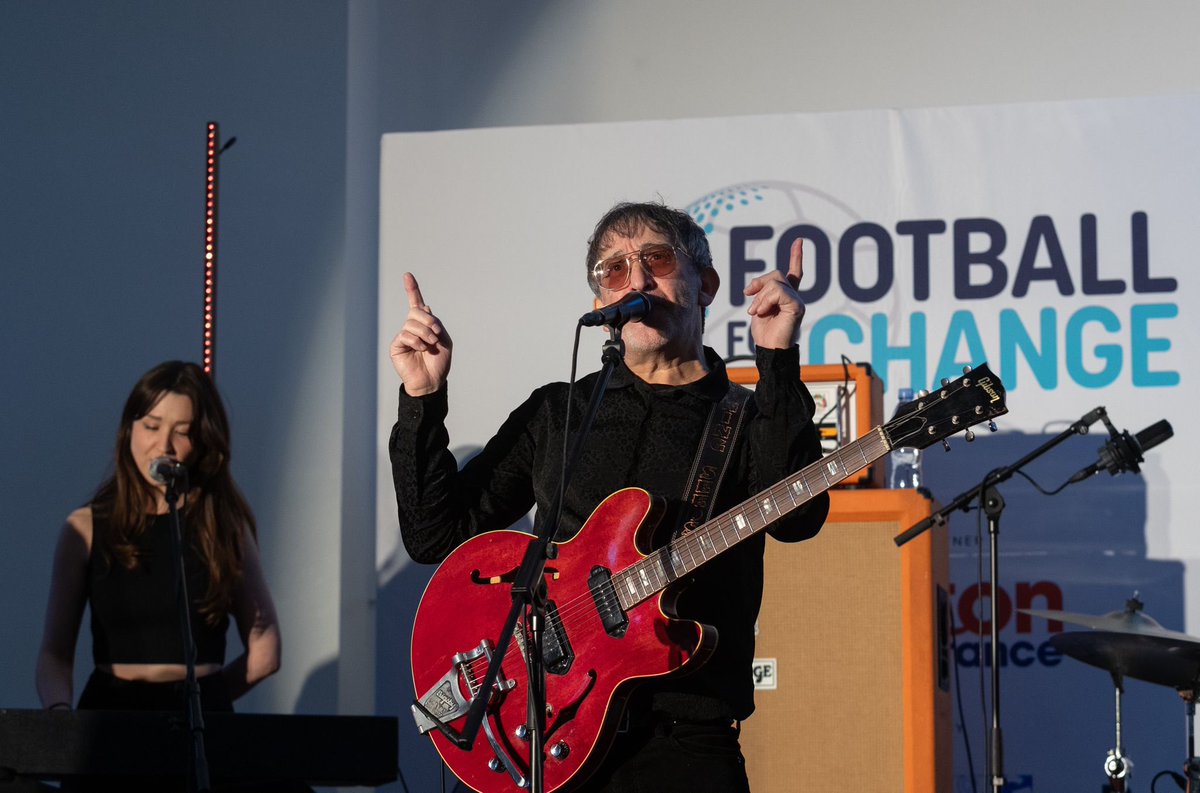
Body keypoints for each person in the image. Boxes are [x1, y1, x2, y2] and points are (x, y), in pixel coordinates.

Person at [390, 201, 829, 792]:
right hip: (548, 733)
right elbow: (434, 536)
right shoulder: (557, 411)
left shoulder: (749, 419)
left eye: (656, 259)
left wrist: (776, 359)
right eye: (614, 270)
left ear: (705, 284)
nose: (638, 280)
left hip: (684, 742)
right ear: (602, 305)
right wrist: (422, 400)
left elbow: (799, 519)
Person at [36, 360, 280, 721]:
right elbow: (55, 653)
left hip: (200, 719)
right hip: (112, 715)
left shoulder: (222, 525)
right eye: (151, 426)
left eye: (182, 431)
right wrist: (60, 715)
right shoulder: (86, 528)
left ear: (201, 442)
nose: (163, 444)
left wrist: (206, 701)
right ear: (129, 429)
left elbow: (265, 651)